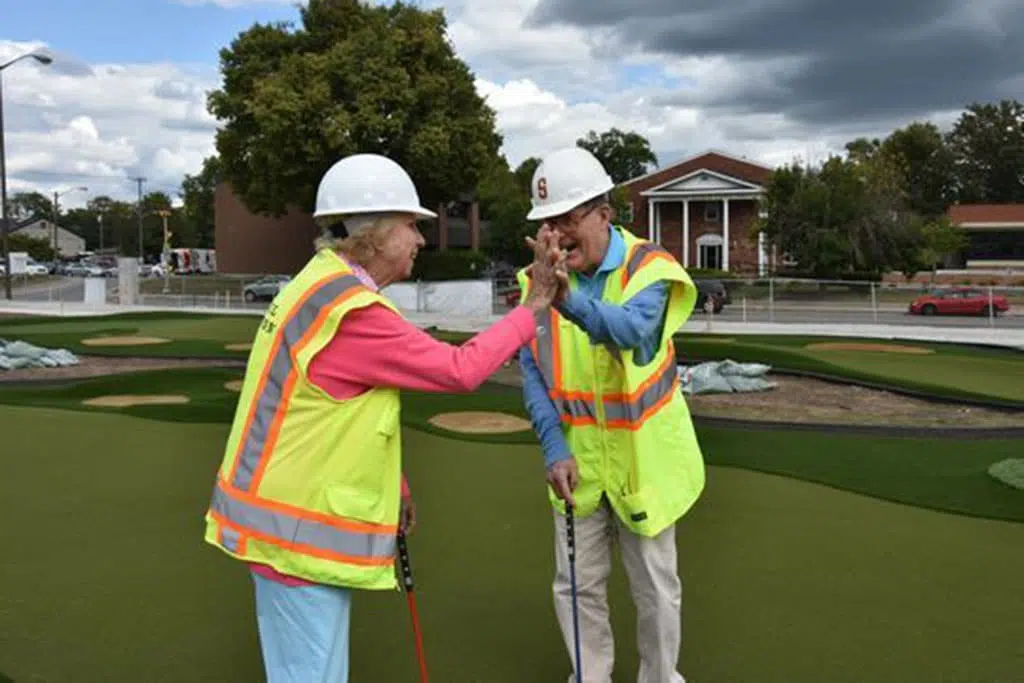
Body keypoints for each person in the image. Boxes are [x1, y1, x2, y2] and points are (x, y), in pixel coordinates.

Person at [202, 152, 564, 682]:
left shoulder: (320, 284)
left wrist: (393, 482)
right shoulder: (352, 313)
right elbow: (460, 370)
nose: (419, 239)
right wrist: (530, 310)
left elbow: (344, 405)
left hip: (282, 528)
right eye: (410, 225)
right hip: (294, 536)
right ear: (371, 235)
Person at [516, 147, 707, 683]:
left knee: (655, 588)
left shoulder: (651, 268)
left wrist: (562, 297)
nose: (557, 233)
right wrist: (553, 447)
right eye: (547, 223)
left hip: (644, 466)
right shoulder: (537, 282)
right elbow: (532, 369)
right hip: (578, 467)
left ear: (604, 213)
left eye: (569, 219)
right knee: (575, 585)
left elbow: (632, 332)